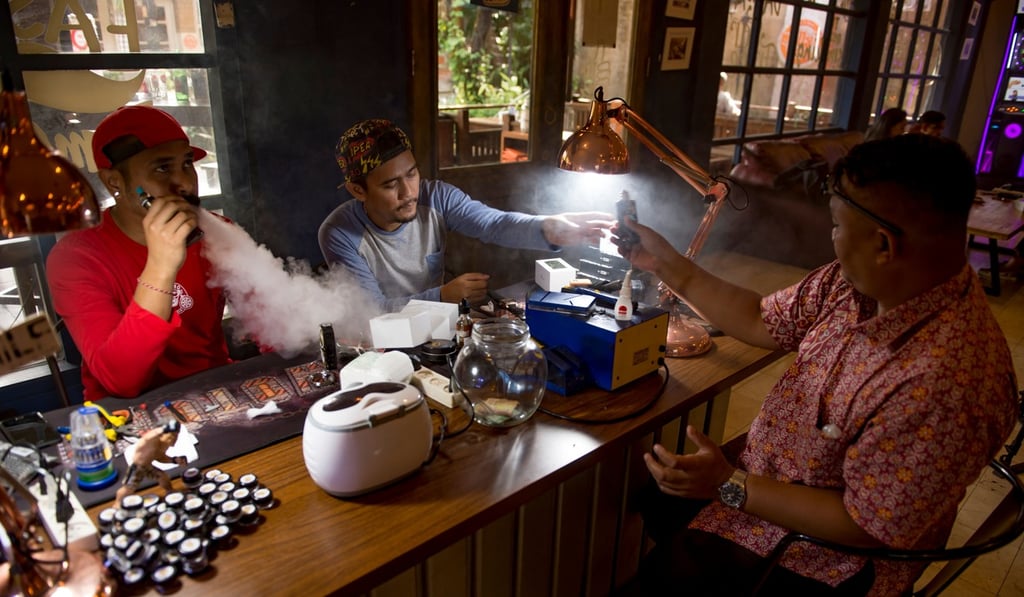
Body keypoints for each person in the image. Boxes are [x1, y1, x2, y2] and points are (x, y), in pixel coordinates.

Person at [614, 135, 1018, 595]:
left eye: (837, 225)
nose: (832, 238)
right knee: (652, 500)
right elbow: (758, 319)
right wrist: (664, 262)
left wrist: (730, 486)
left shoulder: (948, 383)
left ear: (883, 243)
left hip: (821, 560)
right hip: (765, 483)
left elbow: (865, 525)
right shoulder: (854, 284)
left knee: (658, 578)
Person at [318, 119, 611, 311]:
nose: (408, 192)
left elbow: (493, 223)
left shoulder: (437, 196)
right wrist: (443, 296)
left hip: (440, 330)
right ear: (358, 190)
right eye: (390, 184)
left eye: (412, 174)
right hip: (382, 346)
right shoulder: (339, 232)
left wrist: (548, 228)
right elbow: (374, 312)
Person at [46, 106, 230, 401]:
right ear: (114, 182)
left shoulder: (217, 232)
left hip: (215, 393)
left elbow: (271, 317)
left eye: (186, 164)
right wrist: (161, 266)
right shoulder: (76, 258)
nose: (185, 182)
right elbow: (120, 380)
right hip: (128, 415)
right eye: (162, 168)